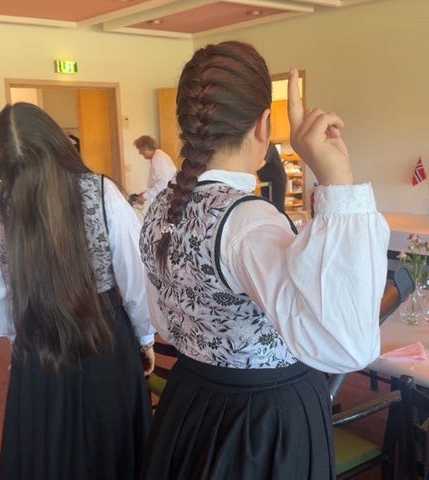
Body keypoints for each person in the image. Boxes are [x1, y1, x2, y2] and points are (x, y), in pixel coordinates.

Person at [138, 41, 389, 479]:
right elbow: (349, 345)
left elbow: (163, 318)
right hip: (261, 423)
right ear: (263, 125)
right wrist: (338, 179)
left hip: (190, 402)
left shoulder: (159, 206)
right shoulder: (248, 222)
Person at [0, 102, 155, 480]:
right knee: (113, 447)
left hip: (36, 349)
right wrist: (146, 337)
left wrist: (18, 339)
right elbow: (138, 277)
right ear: (56, 141)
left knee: (47, 454)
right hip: (106, 339)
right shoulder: (101, 191)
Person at [132, 135, 176, 205]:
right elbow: (158, 182)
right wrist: (145, 193)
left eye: (140, 149)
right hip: (166, 196)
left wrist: (145, 196)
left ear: (145, 147)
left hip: (167, 198)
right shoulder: (157, 156)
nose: (140, 153)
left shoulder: (158, 158)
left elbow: (163, 183)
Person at [257, 141, 287, 212]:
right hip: (265, 180)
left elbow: (261, 163)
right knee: (267, 206)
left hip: (277, 180)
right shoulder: (256, 148)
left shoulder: (268, 145)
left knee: (277, 207)